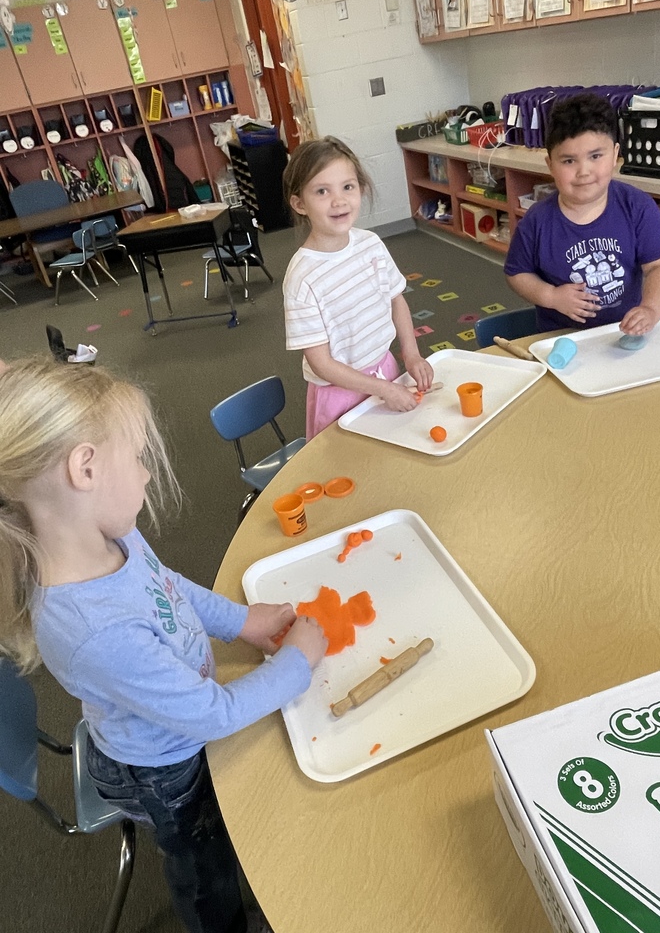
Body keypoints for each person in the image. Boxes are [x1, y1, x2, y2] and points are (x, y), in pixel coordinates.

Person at [0, 357, 327, 933]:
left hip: (176, 714)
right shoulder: (96, 630)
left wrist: (239, 622)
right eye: (138, 457)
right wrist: (295, 665)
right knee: (204, 866)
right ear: (85, 469)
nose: (148, 473)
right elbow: (210, 715)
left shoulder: (112, 537)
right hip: (164, 766)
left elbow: (165, 586)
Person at [282, 136, 434, 439]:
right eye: (322, 191)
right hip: (339, 394)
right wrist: (382, 389)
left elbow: (396, 301)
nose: (339, 201)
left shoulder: (371, 245)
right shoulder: (302, 278)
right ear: (300, 203)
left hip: (385, 370)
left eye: (347, 187)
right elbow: (321, 363)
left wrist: (412, 354)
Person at [504, 92, 660, 334]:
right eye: (568, 161)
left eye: (595, 156)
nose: (583, 171)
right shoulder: (537, 221)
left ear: (615, 154)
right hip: (561, 337)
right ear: (550, 165)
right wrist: (551, 296)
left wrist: (650, 308)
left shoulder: (637, 206)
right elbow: (517, 273)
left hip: (623, 334)